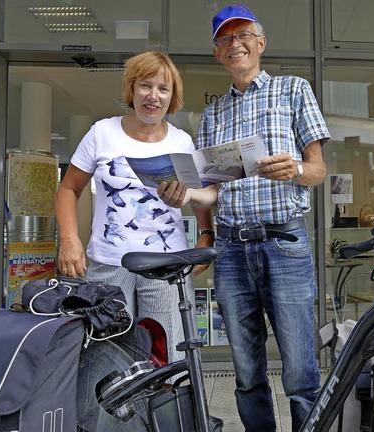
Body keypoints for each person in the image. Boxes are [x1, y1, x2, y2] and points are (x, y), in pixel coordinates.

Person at [159, 4, 330, 431]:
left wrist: (295, 169)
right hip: (233, 250)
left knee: (299, 374)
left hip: (284, 245)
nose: (235, 44)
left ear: (260, 43)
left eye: (243, 36)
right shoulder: (213, 113)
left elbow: (318, 170)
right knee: (247, 373)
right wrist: (185, 195)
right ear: (218, 53)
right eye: (225, 39)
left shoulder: (293, 89)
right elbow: (212, 189)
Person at [55, 51, 214, 364]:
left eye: (163, 89)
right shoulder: (102, 133)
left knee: (166, 357)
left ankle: (164, 414)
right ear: (132, 89)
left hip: (167, 268)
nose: (153, 96)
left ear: (173, 97)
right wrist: (70, 240)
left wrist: (206, 234)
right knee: (107, 359)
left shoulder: (181, 142)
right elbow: (68, 188)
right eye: (146, 86)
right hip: (110, 265)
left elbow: (196, 195)